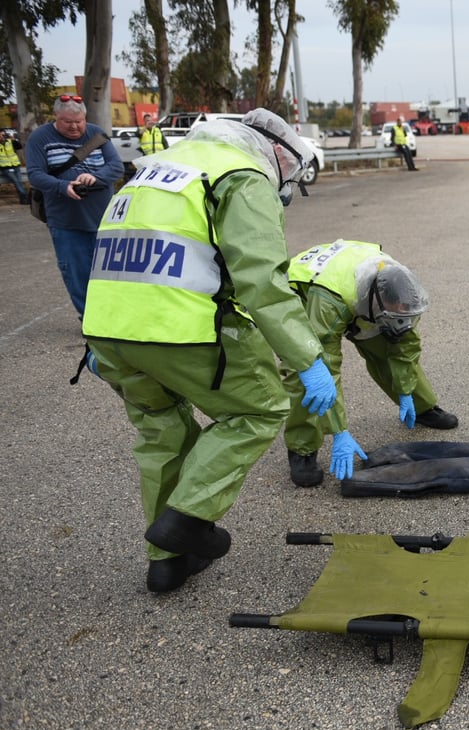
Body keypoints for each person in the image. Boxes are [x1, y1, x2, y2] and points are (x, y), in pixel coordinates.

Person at [82, 108, 342, 594]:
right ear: (277, 151)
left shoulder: (157, 168)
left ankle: (167, 563)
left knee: (161, 435)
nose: (287, 186)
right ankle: (185, 520)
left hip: (108, 326)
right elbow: (262, 282)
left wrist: (105, 334)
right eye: (292, 173)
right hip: (176, 327)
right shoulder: (240, 175)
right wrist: (308, 359)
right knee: (259, 410)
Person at [282, 239, 459, 487]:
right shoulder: (330, 303)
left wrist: (406, 389)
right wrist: (340, 431)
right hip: (307, 294)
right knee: (309, 372)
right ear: (374, 302)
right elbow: (326, 366)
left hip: (354, 291)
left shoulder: (399, 288)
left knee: (390, 343)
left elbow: (406, 345)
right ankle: (302, 447)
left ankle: (422, 407)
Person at [24, 94, 125, 318]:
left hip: (104, 219)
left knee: (111, 272)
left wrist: (95, 177)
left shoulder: (96, 133)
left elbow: (116, 167)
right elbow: (35, 175)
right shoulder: (40, 138)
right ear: (56, 117)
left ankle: (113, 315)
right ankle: (89, 318)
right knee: (77, 273)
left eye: (79, 121)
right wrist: (62, 186)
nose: (75, 127)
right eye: (68, 122)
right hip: (66, 221)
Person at [0, 129, 30, 204]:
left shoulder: (10, 142)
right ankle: (25, 197)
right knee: (17, 182)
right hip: (5, 167)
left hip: (15, 165)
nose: (3, 136)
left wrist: (13, 139)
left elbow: (19, 147)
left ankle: (23, 200)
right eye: (1, 134)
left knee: (19, 182)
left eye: (4, 134)